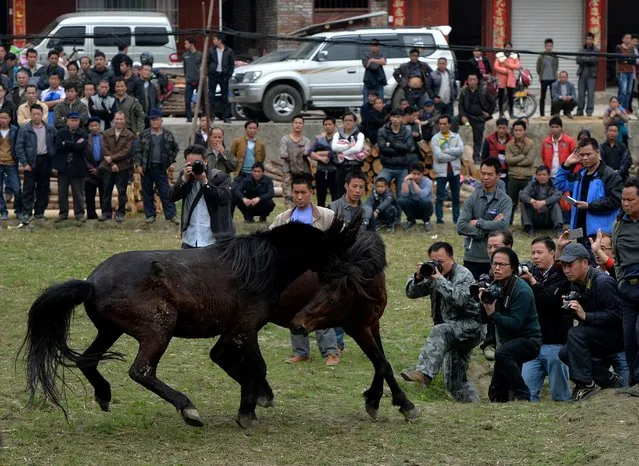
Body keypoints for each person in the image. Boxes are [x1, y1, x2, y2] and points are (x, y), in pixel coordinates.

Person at [270, 174, 341, 365]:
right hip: (292, 277)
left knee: (319, 311)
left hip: (319, 275)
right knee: (294, 311)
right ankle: (301, 352)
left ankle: (331, 352)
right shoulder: (283, 219)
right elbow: (269, 244)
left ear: (311, 193)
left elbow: (339, 242)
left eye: (303, 192)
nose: (299, 196)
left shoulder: (326, 216)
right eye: (296, 192)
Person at [401, 241, 483, 402]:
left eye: (441, 261)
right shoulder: (432, 274)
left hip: (471, 327)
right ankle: (474, 407)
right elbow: (411, 294)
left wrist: (439, 279)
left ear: (451, 258)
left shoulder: (463, 274)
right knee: (454, 382)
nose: (437, 265)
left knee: (439, 330)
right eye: (433, 261)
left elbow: (460, 299)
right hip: (451, 332)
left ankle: (424, 373)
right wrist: (417, 277)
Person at [557, 243, 624, 401]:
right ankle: (607, 378)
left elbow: (616, 316)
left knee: (575, 333)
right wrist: (572, 309)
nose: (566, 270)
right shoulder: (576, 282)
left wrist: (585, 315)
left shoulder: (602, 282)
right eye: (564, 266)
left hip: (616, 336)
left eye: (570, 265)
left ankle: (586, 384)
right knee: (564, 353)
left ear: (585, 263)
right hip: (597, 333)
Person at [481, 247, 541, 402]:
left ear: (513, 267)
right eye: (494, 264)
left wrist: (493, 314)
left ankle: (522, 394)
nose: (497, 268)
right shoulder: (495, 285)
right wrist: (482, 303)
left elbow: (516, 323)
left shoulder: (521, 290)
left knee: (502, 353)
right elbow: (483, 319)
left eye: (502, 264)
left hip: (529, 340)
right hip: (508, 343)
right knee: (495, 393)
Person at [519, 237, 572, 401]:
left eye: (539, 252)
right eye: (533, 252)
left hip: (556, 343)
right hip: (533, 343)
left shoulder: (563, 275)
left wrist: (533, 283)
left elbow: (550, 301)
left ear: (552, 254)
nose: (535, 256)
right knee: (526, 394)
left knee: (560, 396)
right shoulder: (529, 273)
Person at [555, 137, 622, 240]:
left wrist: (589, 206)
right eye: (582, 155)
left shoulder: (610, 175)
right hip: (579, 231)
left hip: (600, 234)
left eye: (588, 154)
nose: (585, 158)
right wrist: (567, 164)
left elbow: (615, 201)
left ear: (598, 153)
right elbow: (560, 184)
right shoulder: (580, 175)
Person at [169, 144, 234, 248]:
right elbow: (171, 197)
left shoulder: (218, 176)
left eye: (197, 163)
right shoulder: (185, 176)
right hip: (190, 237)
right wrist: (183, 181)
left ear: (205, 161)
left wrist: (205, 182)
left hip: (212, 238)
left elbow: (224, 198)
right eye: (190, 163)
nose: (194, 167)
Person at [457, 158, 513, 279]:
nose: (485, 177)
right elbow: (460, 226)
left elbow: (503, 226)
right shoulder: (471, 199)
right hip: (472, 257)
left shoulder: (505, 201)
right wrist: (489, 228)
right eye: (483, 173)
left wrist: (477, 222)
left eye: (490, 174)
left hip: (496, 259)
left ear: (498, 176)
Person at [612, 176, 639, 397]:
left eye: (631, 199)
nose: (626, 203)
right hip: (628, 288)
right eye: (623, 199)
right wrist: (620, 280)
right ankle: (633, 381)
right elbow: (617, 257)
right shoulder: (619, 224)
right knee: (628, 336)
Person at [134, 108, 179, 224]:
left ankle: (171, 215)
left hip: (161, 168)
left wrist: (171, 162)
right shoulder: (144, 134)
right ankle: (150, 215)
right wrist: (138, 165)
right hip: (146, 168)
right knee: (147, 192)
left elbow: (175, 148)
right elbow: (137, 151)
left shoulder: (168, 134)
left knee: (165, 192)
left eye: (156, 119)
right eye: (152, 120)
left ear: (161, 120)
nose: (154, 122)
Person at [15, 104, 57, 224]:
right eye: (33, 114)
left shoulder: (50, 128)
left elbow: (55, 144)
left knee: (43, 188)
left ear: (42, 114)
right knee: (28, 188)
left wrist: (52, 160)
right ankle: (27, 213)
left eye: (38, 114)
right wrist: (25, 163)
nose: (36, 116)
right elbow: (19, 147)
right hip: (31, 161)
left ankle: (40, 212)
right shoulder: (25, 129)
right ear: (30, 114)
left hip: (45, 160)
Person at [51, 112, 88, 222]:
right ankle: (63, 213)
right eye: (72, 120)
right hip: (63, 166)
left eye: (76, 120)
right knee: (62, 192)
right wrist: (73, 144)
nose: (74, 122)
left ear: (79, 122)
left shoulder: (83, 133)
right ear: (67, 121)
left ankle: (80, 214)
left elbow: (81, 147)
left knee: (78, 192)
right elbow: (58, 146)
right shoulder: (61, 132)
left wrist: (66, 143)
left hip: (77, 166)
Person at [98, 111, 134, 223]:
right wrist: (112, 164)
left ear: (125, 120)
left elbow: (126, 151)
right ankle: (106, 213)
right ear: (114, 120)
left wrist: (112, 159)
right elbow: (104, 149)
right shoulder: (106, 133)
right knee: (106, 190)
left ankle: (121, 213)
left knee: (121, 191)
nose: (119, 121)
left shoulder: (129, 135)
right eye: (117, 119)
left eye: (121, 119)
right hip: (108, 166)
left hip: (122, 167)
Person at [432, 114, 463, 225]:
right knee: (440, 196)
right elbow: (439, 156)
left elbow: (461, 150)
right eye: (440, 124)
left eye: (445, 123)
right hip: (441, 172)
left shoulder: (456, 136)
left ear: (450, 124)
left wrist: (447, 150)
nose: (442, 126)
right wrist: (454, 154)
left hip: (455, 171)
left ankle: (456, 219)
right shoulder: (435, 138)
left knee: (456, 196)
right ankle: (439, 219)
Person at [458, 72, 494, 165]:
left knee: (478, 138)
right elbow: (460, 106)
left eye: (474, 79)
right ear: (467, 81)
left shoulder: (483, 91)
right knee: (453, 120)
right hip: (467, 116)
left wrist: (488, 113)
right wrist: (463, 116)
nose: (472, 81)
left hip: (479, 117)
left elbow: (493, 102)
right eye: (470, 80)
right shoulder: (464, 91)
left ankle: (477, 157)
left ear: (477, 81)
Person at [377, 108, 413, 198]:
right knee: (379, 188)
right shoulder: (382, 130)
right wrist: (399, 149)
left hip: (402, 168)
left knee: (401, 195)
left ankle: (398, 212)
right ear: (390, 118)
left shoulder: (407, 131)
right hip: (387, 167)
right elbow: (382, 148)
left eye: (398, 117)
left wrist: (391, 144)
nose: (395, 119)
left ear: (401, 118)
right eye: (393, 117)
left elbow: (407, 148)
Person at [505, 119, 535, 225]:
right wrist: (522, 156)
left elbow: (530, 160)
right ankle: (508, 223)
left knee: (526, 202)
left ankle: (527, 224)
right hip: (513, 177)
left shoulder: (531, 143)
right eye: (515, 130)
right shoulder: (509, 145)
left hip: (526, 178)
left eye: (520, 130)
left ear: (524, 131)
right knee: (510, 202)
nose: (517, 132)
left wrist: (515, 160)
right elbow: (508, 160)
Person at [519, 165, 564, 236]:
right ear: (536, 176)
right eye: (539, 175)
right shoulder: (532, 184)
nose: (542, 177)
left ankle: (558, 229)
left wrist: (544, 202)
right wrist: (532, 201)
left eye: (544, 175)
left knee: (555, 204)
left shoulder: (554, 184)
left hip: (548, 216)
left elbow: (558, 195)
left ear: (549, 176)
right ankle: (529, 227)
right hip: (535, 215)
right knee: (524, 203)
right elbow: (522, 194)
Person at [280, 114, 311, 209]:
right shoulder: (285, 139)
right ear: (292, 124)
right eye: (296, 123)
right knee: (289, 196)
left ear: (303, 125)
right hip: (288, 171)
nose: (298, 125)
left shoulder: (306, 140)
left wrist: (292, 153)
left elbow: (306, 153)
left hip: (302, 172)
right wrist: (298, 153)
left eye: (300, 123)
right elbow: (283, 154)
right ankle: (289, 218)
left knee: (302, 196)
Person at [332, 112, 366, 199]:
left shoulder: (359, 135)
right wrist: (348, 146)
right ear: (343, 122)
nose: (348, 122)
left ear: (354, 122)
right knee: (340, 193)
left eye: (350, 120)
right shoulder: (337, 134)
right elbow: (334, 147)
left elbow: (357, 149)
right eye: (346, 120)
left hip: (355, 167)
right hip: (341, 167)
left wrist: (343, 153)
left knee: (355, 193)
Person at [310, 116, 338, 207]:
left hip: (334, 171)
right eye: (325, 124)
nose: (327, 126)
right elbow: (311, 153)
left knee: (335, 196)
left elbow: (335, 153)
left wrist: (321, 152)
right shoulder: (319, 140)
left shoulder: (338, 139)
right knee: (320, 197)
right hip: (321, 170)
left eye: (330, 124)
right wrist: (321, 158)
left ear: (334, 126)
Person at [207, 32, 235, 123]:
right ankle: (211, 116)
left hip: (224, 76)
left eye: (215, 39)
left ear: (220, 40)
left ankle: (226, 117)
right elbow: (207, 62)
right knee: (211, 96)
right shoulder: (211, 50)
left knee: (225, 97)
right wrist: (209, 73)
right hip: (213, 75)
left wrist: (229, 75)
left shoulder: (229, 51)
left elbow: (231, 64)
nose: (213, 41)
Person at [398, 162, 433, 231]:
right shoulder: (408, 182)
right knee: (401, 200)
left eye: (418, 174)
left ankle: (426, 221)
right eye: (414, 174)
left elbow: (422, 195)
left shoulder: (428, 182)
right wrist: (405, 181)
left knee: (425, 201)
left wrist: (413, 182)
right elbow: (404, 195)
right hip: (413, 208)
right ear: (410, 173)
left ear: (422, 174)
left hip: (425, 208)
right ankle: (411, 220)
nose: (416, 176)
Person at [0, 109, 20, 220]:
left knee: (17, 188)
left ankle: (18, 210)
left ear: (9, 119)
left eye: (5, 118)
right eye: (1, 118)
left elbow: (18, 146)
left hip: (11, 162)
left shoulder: (15, 130)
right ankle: (3, 211)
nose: (3, 120)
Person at [481, 117, 511, 184]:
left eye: (503, 128)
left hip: (508, 175)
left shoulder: (512, 141)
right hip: (493, 174)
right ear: (496, 127)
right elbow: (484, 157)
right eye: (499, 128)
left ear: (507, 128)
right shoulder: (489, 140)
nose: (501, 130)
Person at [84, 117, 104, 220]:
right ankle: (91, 215)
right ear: (88, 127)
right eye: (91, 126)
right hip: (89, 170)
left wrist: (99, 169)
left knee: (104, 193)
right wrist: (91, 168)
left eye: (96, 125)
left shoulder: (105, 137)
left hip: (103, 169)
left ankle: (105, 213)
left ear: (99, 126)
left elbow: (108, 154)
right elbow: (83, 156)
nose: (94, 128)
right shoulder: (85, 139)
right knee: (89, 194)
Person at [494, 43, 521, 118]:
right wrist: (506, 71)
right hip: (501, 78)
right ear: (504, 47)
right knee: (501, 96)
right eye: (507, 47)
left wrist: (508, 65)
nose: (508, 48)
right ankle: (501, 113)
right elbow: (496, 66)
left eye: (510, 47)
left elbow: (518, 66)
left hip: (511, 78)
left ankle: (511, 113)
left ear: (512, 48)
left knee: (510, 97)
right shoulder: (499, 55)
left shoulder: (514, 56)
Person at [576, 32, 599, 117]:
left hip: (591, 75)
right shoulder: (581, 49)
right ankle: (579, 111)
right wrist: (587, 59)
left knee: (590, 94)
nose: (588, 41)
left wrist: (583, 59)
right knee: (581, 94)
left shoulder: (596, 50)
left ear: (593, 40)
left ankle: (589, 111)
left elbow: (593, 60)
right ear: (585, 40)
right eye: (587, 39)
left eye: (590, 39)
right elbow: (577, 60)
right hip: (582, 74)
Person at [615, 33, 639, 110]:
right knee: (623, 91)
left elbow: (634, 61)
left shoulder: (632, 48)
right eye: (627, 38)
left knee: (629, 92)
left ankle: (625, 108)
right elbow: (619, 59)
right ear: (623, 39)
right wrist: (628, 59)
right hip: (622, 71)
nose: (628, 39)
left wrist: (626, 60)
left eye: (630, 38)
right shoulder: (619, 47)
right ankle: (620, 108)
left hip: (631, 72)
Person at [536, 39, 558, 118]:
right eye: (547, 46)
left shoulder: (555, 56)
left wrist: (555, 75)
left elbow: (556, 67)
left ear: (552, 46)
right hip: (544, 79)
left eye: (550, 46)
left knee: (553, 97)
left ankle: (553, 113)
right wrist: (540, 75)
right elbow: (538, 67)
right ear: (545, 46)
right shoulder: (541, 56)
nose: (549, 47)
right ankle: (542, 114)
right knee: (543, 97)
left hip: (553, 79)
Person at [361, 39, 387, 105]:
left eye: (376, 45)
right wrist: (378, 61)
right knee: (366, 102)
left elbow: (384, 62)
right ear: (369, 46)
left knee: (379, 102)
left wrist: (372, 60)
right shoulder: (365, 54)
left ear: (378, 47)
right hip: (368, 82)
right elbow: (366, 65)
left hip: (379, 81)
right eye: (372, 45)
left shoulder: (381, 54)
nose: (374, 47)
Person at [183, 37, 202, 123]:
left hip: (199, 81)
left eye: (186, 43)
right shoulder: (185, 55)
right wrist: (186, 77)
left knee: (201, 99)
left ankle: (202, 117)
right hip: (189, 81)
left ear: (192, 44)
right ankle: (189, 118)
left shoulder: (200, 55)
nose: (185, 45)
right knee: (187, 100)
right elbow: (185, 68)